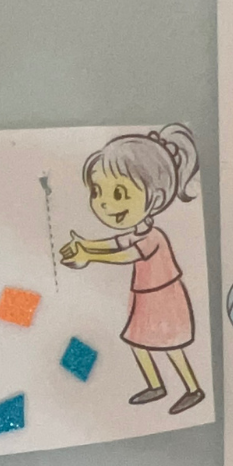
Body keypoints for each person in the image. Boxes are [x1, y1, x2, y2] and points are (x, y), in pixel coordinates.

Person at [61, 124, 205, 413]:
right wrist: (87, 244)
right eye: (97, 192)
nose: (103, 204)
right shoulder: (138, 231)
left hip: (164, 300)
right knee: (138, 343)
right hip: (144, 298)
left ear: (157, 198)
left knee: (172, 347)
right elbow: (116, 242)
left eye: (118, 193)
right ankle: (156, 385)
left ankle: (193, 389)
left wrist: (90, 255)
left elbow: (126, 255)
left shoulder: (154, 237)